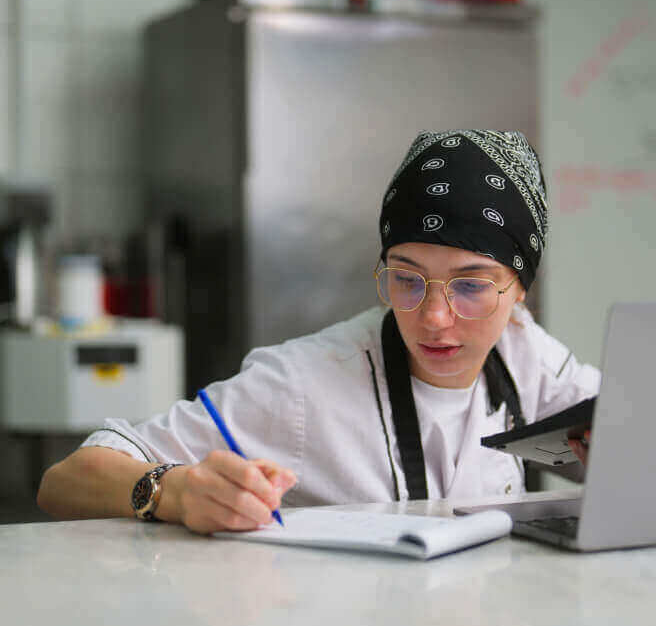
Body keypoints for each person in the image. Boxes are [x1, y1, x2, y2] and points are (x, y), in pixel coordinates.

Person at [37, 129, 600, 534]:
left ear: (520, 291)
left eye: (471, 286)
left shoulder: (526, 353)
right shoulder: (305, 384)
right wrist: (173, 492)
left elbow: (623, 426)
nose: (433, 316)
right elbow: (65, 480)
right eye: (407, 279)